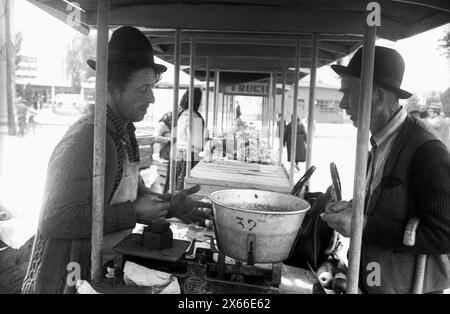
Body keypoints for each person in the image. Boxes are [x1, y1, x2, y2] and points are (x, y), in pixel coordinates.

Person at [22, 26, 210, 294]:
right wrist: (134, 213)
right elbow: (55, 219)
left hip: (103, 266)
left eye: (152, 87)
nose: (152, 97)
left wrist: (169, 205)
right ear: (112, 88)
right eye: (143, 88)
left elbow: (133, 195)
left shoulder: (124, 133)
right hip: (68, 277)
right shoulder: (85, 141)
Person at [321, 46, 450, 294]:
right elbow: (384, 207)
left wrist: (363, 225)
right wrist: (353, 210)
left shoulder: (427, 151)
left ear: (377, 96)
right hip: (376, 279)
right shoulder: (378, 141)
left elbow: (443, 235)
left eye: (348, 92)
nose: (342, 104)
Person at [175, 87, 205, 190]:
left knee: (180, 184)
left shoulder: (182, 114)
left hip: (180, 153)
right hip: (190, 156)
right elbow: (197, 143)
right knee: (188, 187)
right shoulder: (194, 116)